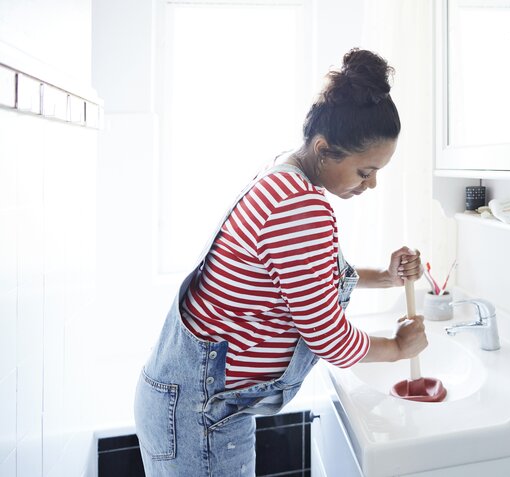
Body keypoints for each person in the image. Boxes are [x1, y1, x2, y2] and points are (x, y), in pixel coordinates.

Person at [133, 48, 428, 476]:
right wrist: (399, 349)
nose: (373, 184)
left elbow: (297, 281)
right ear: (325, 149)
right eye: (365, 172)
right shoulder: (298, 206)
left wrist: (385, 277)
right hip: (201, 418)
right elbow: (330, 338)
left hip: (198, 405)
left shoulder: (283, 174)